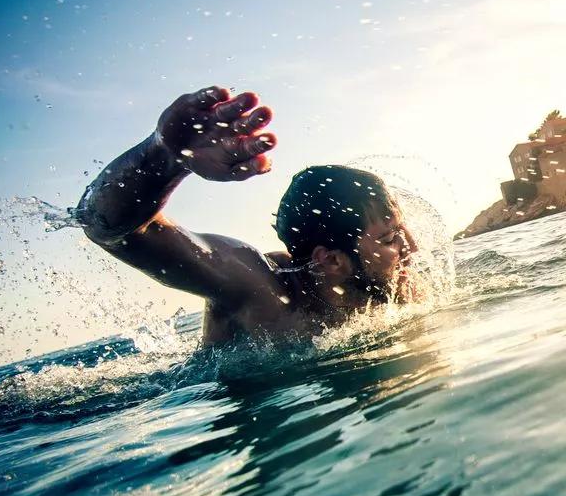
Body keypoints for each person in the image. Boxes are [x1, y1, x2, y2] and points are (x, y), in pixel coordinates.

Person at [76, 86, 419, 344]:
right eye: (390, 239)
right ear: (330, 260)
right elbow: (108, 228)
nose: (411, 248)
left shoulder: (391, 290)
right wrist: (164, 157)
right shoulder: (259, 287)